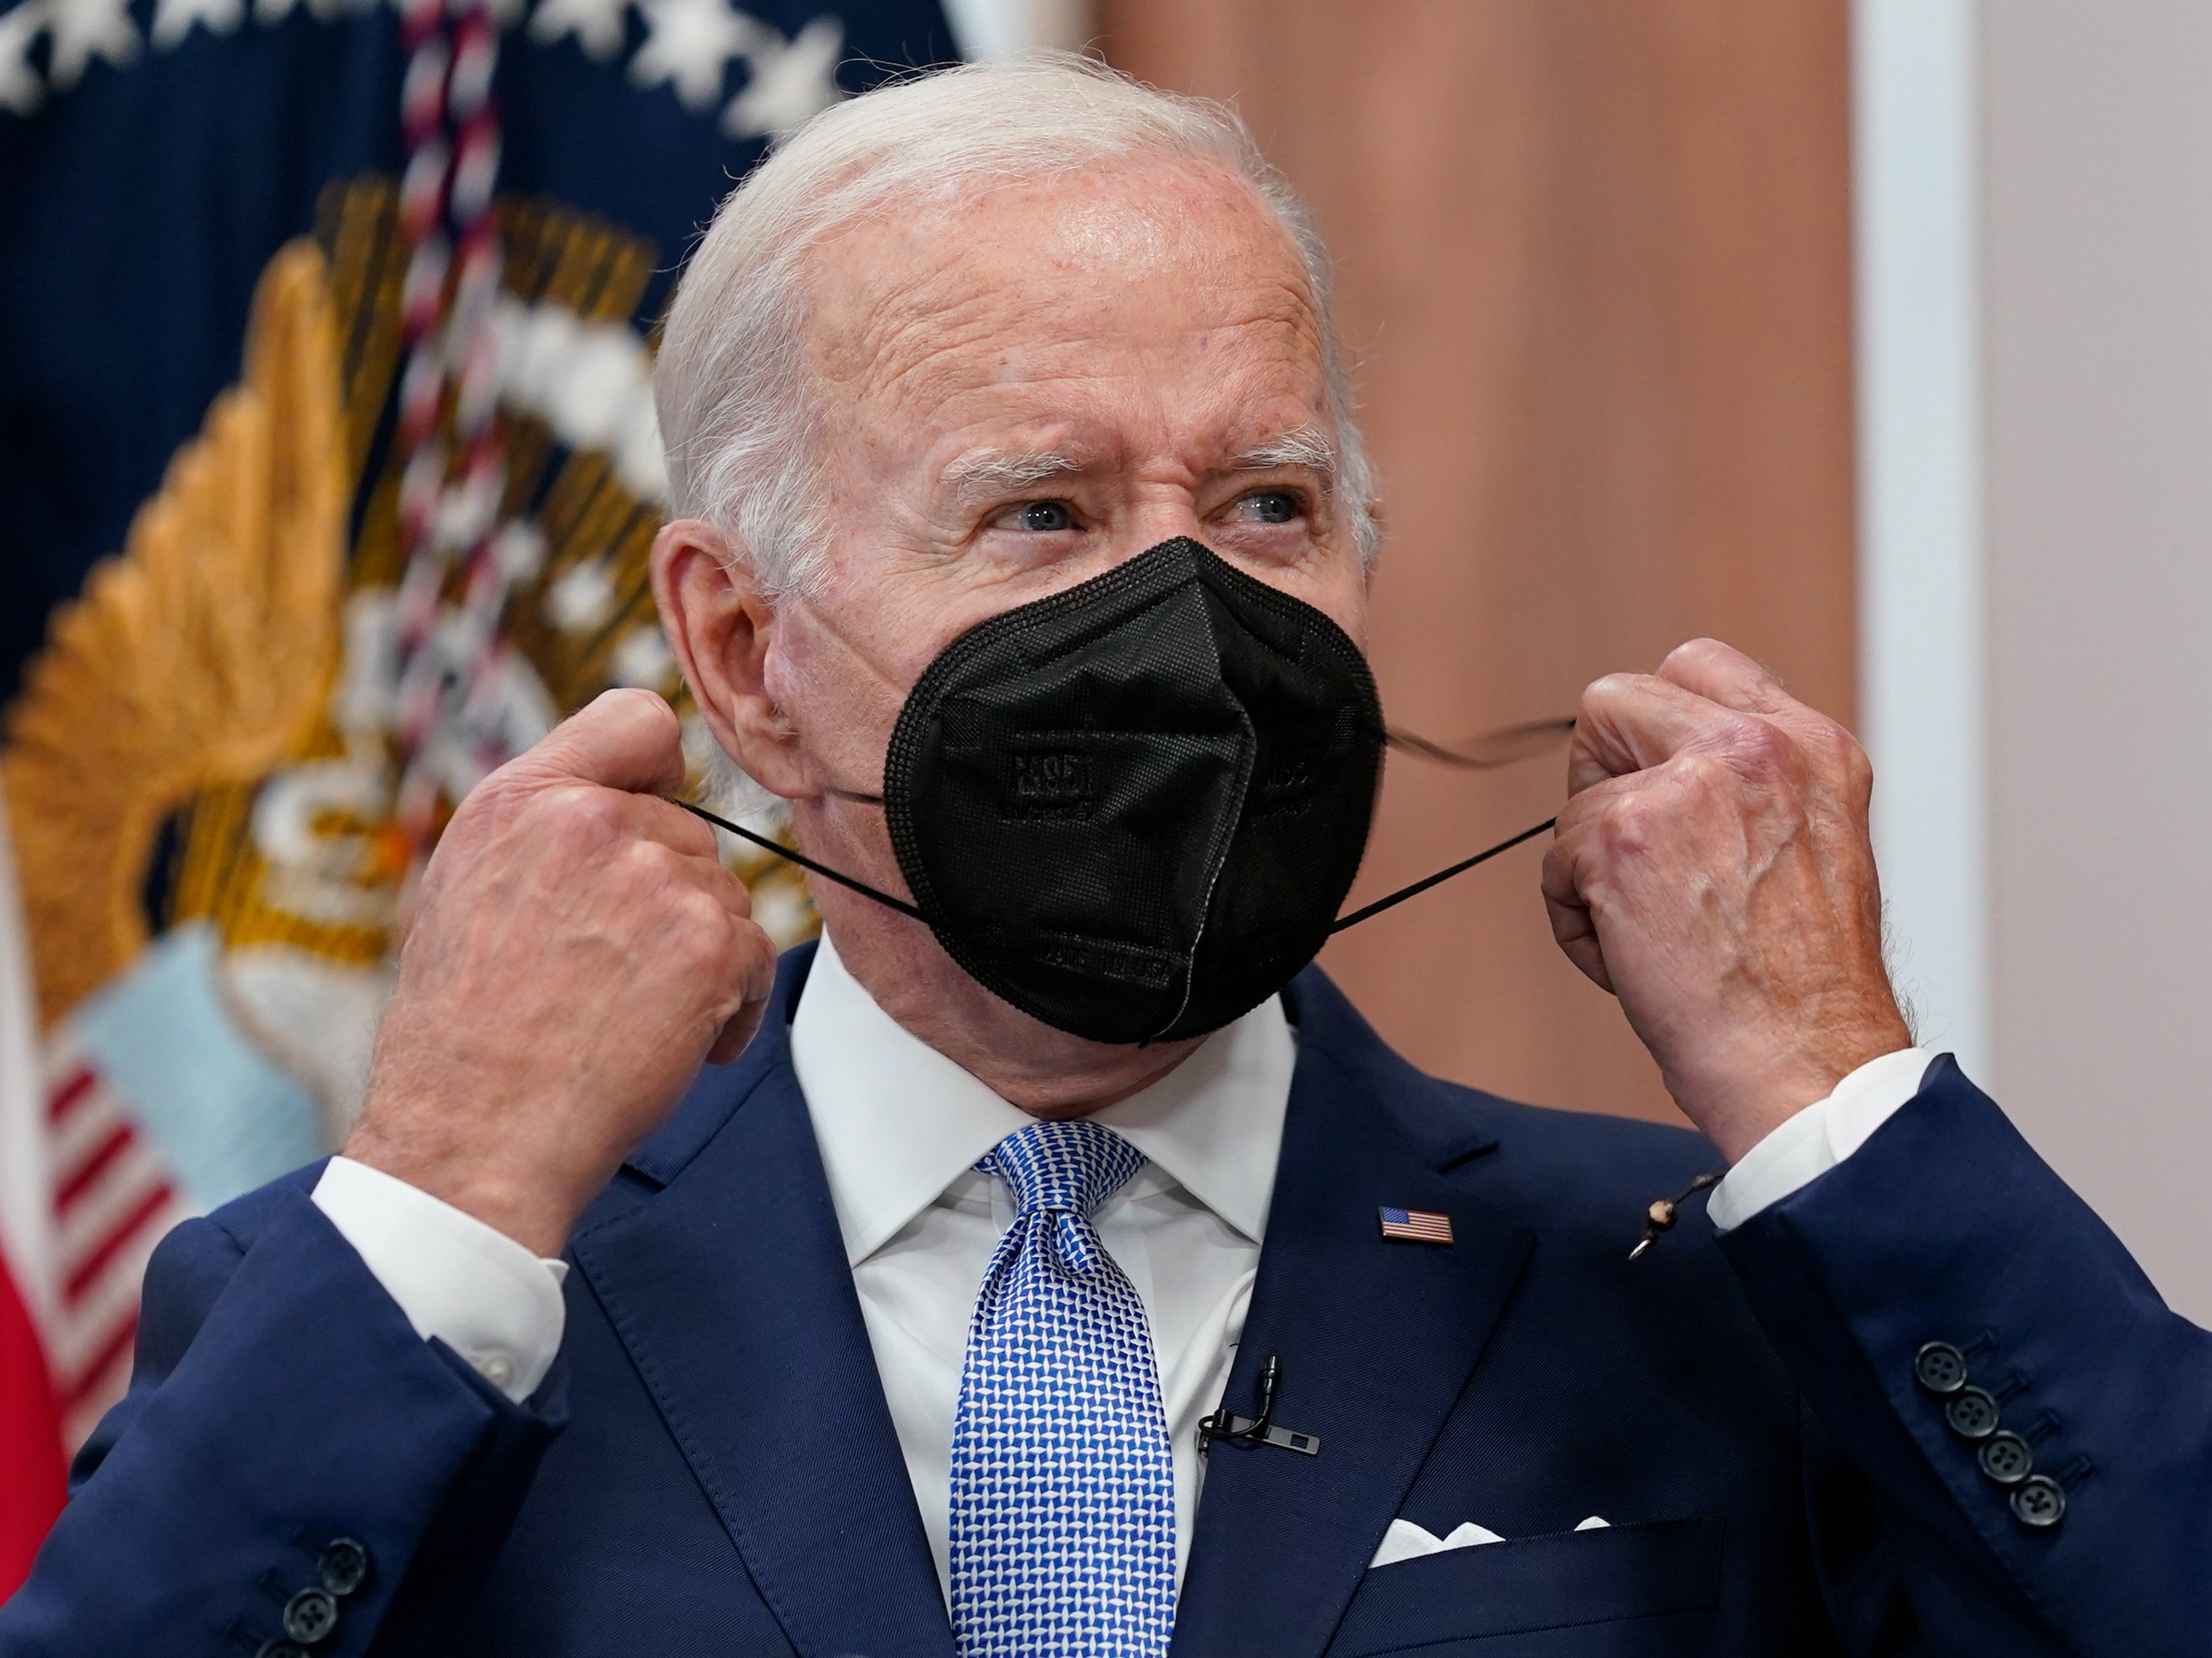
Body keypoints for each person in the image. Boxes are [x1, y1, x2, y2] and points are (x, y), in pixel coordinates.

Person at [3, 55, 2203, 1658]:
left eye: (1264, 507)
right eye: (1040, 513)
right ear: (741, 650)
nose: (1193, 626)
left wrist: (1828, 1090)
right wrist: (459, 1179)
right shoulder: (432, 1299)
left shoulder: (1693, 1289)